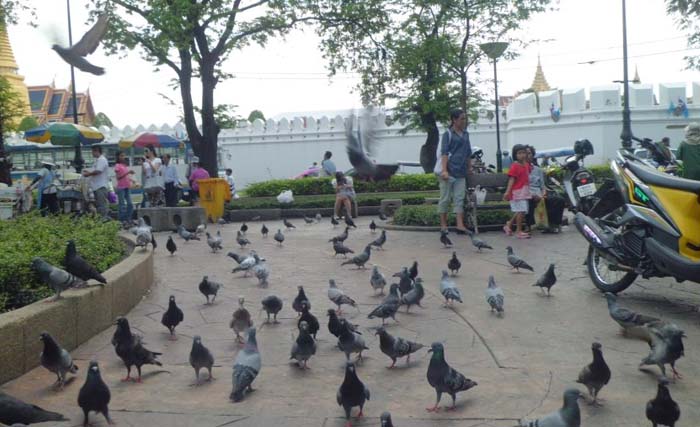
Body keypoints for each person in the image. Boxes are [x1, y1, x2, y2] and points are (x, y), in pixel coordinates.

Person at [436, 108, 472, 234]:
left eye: (464, 118)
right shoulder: (448, 134)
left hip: (461, 172)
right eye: (462, 118)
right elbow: (444, 153)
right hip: (449, 171)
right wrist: (444, 170)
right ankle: (443, 225)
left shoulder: (466, 134)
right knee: (445, 198)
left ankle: (459, 224)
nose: (464, 121)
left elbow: (468, 152)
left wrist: (469, 167)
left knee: (459, 198)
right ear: (454, 120)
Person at [503, 144, 531, 239]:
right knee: (521, 210)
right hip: (517, 192)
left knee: (521, 210)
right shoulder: (514, 166)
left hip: (524, 190)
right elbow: (511, 179)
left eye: (523, 153)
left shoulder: (526, 165)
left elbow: (529, 172)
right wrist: (507, 191)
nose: (522, 155)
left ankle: (509, 225)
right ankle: (518, 231)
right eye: (519, 153)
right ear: (515, 155)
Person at [82, 145, 110, 218]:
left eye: (93, 151)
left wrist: (88, 174)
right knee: (99, 205)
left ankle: (103, 220)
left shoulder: (102, 160)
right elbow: (96, 171)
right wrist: (89, 172)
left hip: (100, 186)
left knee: (101, 205)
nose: (92, 153)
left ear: (97, 151)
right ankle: (101, 219)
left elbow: (98, 171)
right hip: (96, 186)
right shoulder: (98, 160)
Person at [525, 146, 545, 232]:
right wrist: (532, 194)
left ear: (533, 155)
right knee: (530, 200)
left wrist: (543, 195)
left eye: (529, 153)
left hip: (539, 194)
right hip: (527, 194)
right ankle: (529, 225)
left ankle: (554, 225)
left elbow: (543, 186)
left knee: (558, 200)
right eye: (524, 153)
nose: (526, 155)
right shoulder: (520, 169)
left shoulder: (538, 170)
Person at [114, 151, 135, 224]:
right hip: (121, 187)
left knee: (130, 204)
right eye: (121, 156)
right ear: (118, 157)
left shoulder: (124, 165)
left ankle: (128, 218)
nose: (123, 157)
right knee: (122, 204)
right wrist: (128, 172)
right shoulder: (117, 165)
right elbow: (118, 177)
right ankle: (122, 220)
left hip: (127, 186)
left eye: (124, 156)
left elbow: (126, 177)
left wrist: (132, 180)